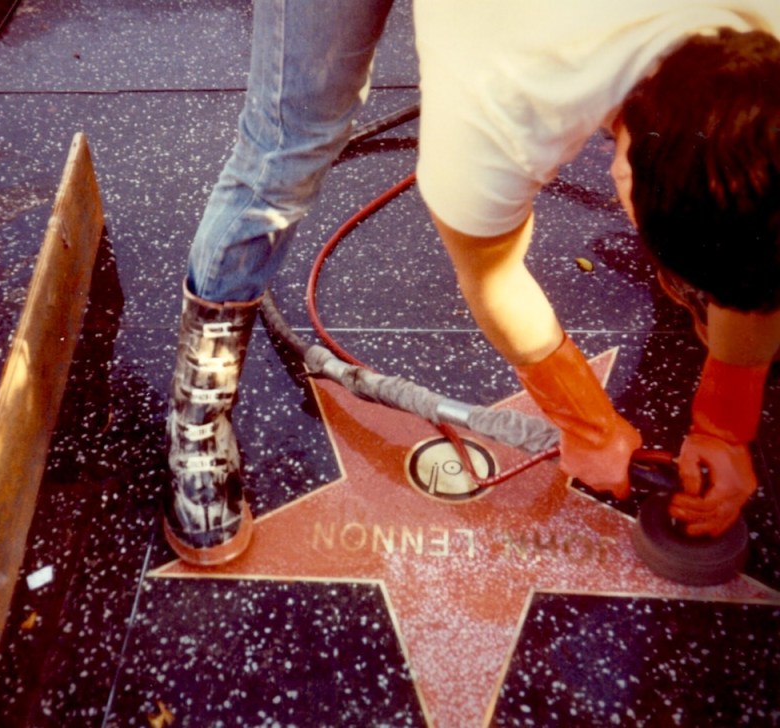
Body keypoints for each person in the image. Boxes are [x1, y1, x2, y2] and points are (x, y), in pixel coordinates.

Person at [165, 0, 780, 566]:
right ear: (624, 169)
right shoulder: (506, 98)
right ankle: (196, 416)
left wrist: (725, 427)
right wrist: (587, 425)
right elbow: (493, 276)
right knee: (290, 142)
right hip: (518, 43)